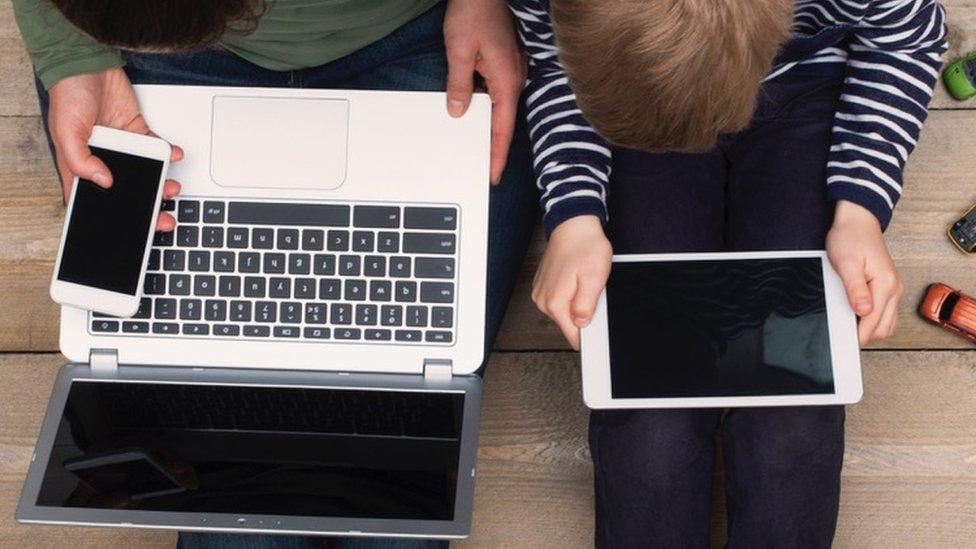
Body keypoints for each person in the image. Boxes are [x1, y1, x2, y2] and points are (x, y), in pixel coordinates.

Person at [13, 0, 539, 547]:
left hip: (414, 32)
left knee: (406, 473)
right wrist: (73, 56)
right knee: (233, 518)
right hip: (162, 45)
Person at [508, 0, 947, 546]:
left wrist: (859, 212)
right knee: (646, 404)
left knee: (794, 402)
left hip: (803, 87)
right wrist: (575, 216)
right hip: (637, 98)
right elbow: (554, 57)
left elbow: (907, 41)